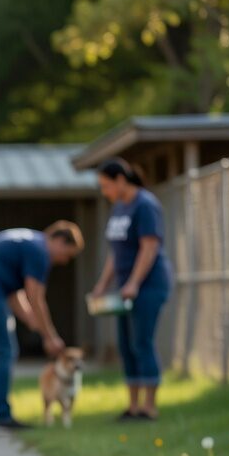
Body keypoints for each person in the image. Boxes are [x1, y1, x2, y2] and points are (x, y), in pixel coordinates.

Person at [0, 223, 84, 431]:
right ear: (59, 240)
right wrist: (50, 336)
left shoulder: (29, 241)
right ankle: (3, 416)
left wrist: (33, 321)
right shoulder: (40, 251)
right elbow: (35, 296)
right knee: (5, 350)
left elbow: (15, 294)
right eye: (67, 254)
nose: (64, 261)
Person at [90, 157, 172, 421]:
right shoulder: (119, 208)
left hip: (148, 286)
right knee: (126, 345)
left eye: (106, 185)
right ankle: (133, 406)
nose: (105, 192)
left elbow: (150, 246)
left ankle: (150, 407)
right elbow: (116, 253)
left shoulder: (145, 205)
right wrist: (103, 285)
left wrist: (135, 283)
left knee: (142, 342)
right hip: (125, 288)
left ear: (121, 180)